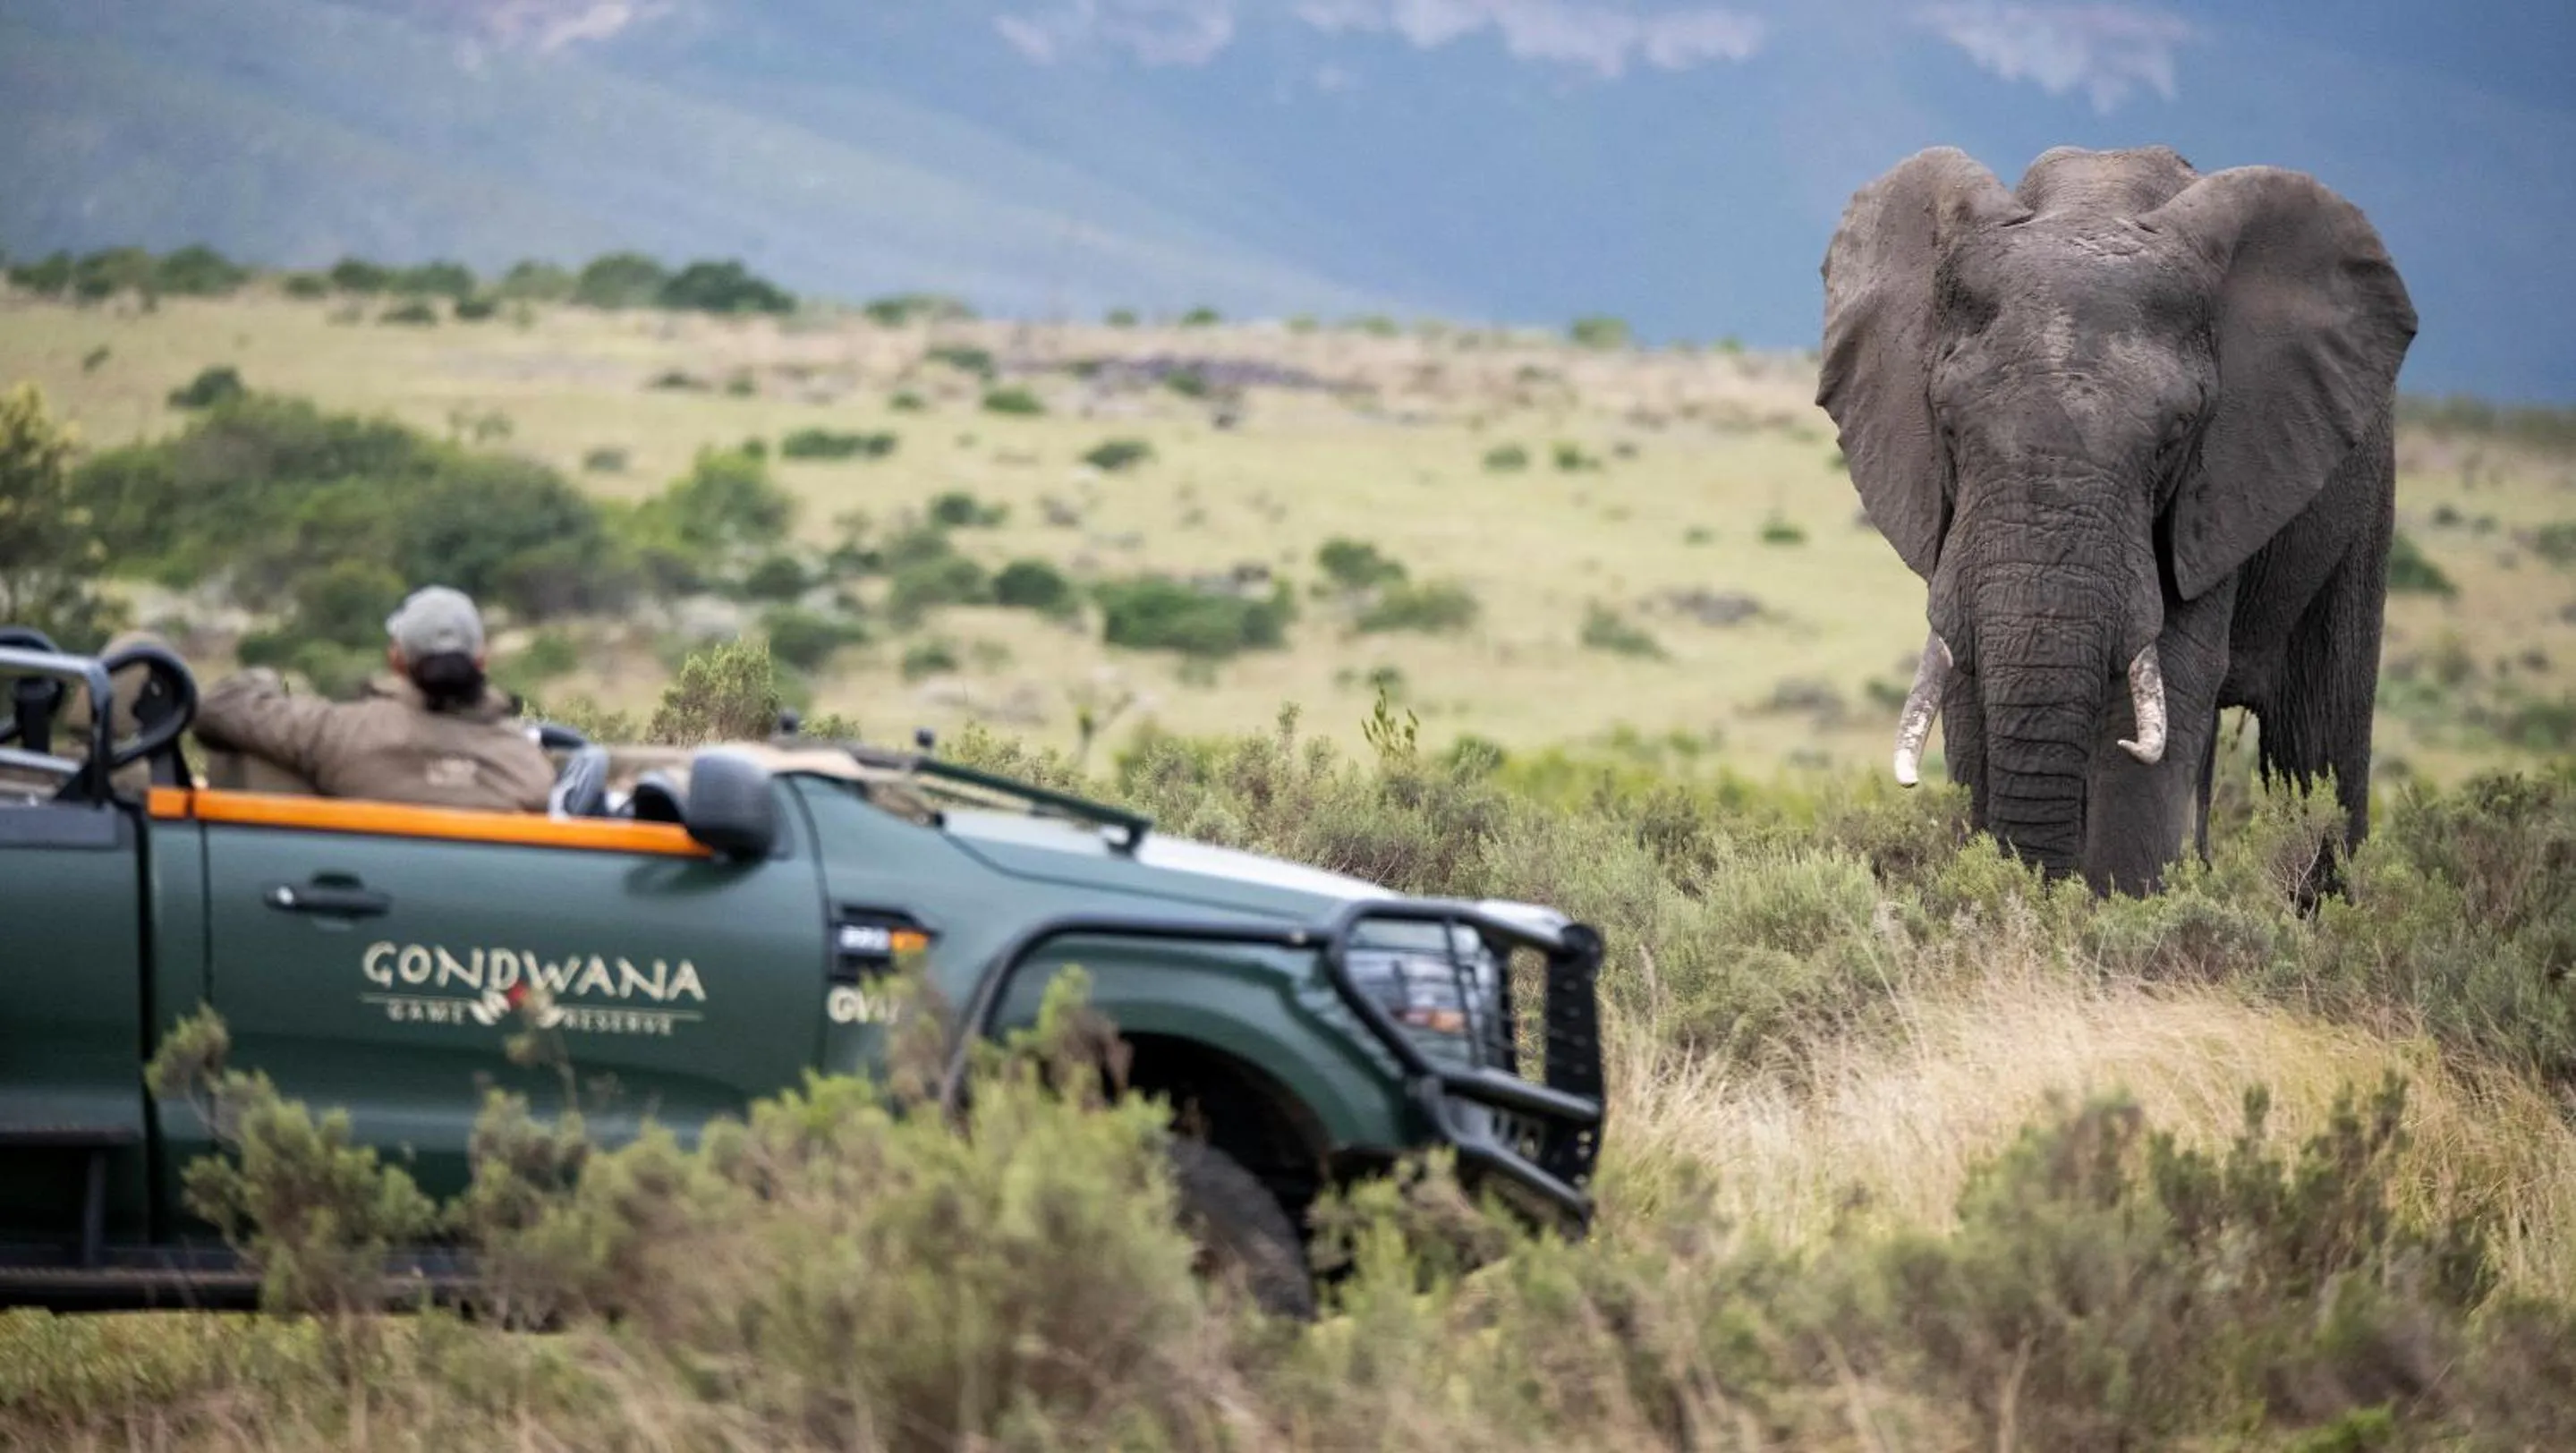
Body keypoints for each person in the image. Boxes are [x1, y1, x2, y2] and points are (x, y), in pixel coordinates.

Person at [193, 585, 557, 812]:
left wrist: (265, 678)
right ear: (482, 660)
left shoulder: (341, 734)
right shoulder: (527, 766)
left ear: (396, 659)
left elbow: (223, 707)